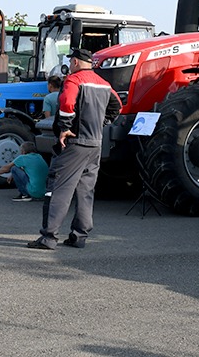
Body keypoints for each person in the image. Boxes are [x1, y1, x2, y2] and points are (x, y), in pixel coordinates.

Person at [26, 48, 121, 250]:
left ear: (76, 62)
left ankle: (48, 237)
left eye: (71, 61)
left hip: (75, 143)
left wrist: (65, 128)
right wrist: (102, 122)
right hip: (95, 143)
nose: (69, 65)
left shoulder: (73, 80)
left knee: (58, 189)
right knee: (85, 191)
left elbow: (67, 102)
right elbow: (118, 105)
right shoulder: (103, 84)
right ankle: (79, 236)